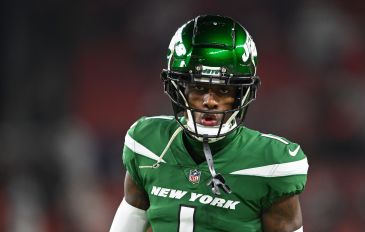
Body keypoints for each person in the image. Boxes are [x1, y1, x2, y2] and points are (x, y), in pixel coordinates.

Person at [110, 14, 308, 232]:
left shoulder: (271, 163)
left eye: (224, 90)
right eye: (198, 88)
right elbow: (130, 222)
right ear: (179, 89)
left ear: (242, 94)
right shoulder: (147, 143)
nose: (210, 101)